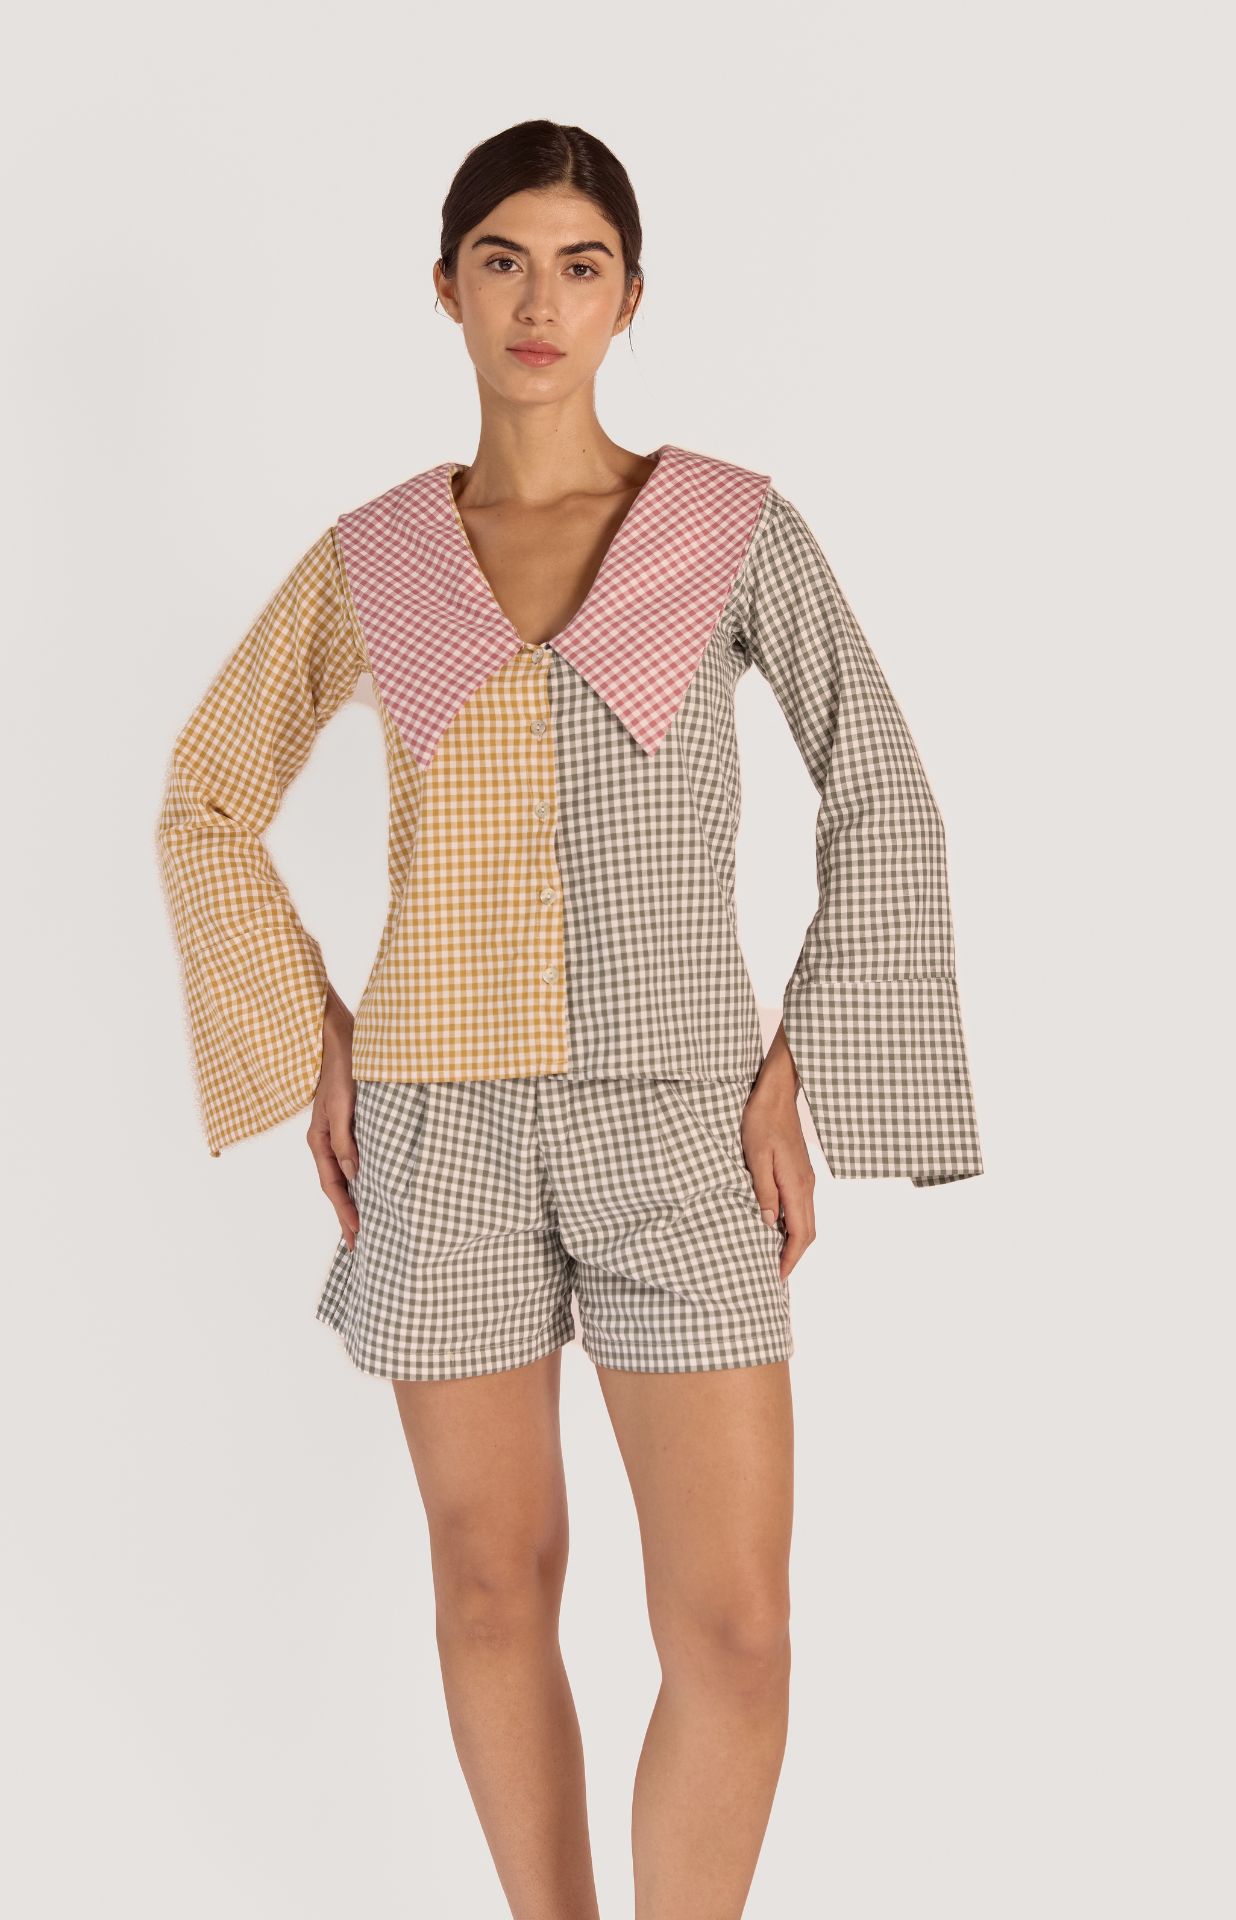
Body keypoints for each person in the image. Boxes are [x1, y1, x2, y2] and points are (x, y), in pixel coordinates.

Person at [155, 118, 983, 1920]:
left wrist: (799, 1069)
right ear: (446, 289)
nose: (540, 301)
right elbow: (207, 795)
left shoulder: (732, 531)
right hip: (439, 1126)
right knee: (488, 1583)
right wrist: (315, 1032)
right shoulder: (376, 556)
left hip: (678, 1123)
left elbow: (883, 791)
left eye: (580, 266)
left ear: (631, 299)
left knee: (736, 1628)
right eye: (504, 262)